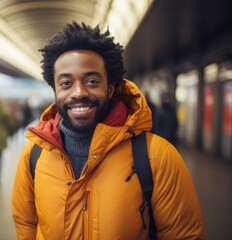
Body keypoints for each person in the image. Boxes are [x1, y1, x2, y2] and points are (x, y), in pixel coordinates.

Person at [11, 22, 205, 239]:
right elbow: (26, 223)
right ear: (55, 91)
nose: (79, 93)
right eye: (66, 83)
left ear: (110, 88)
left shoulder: (156, 156)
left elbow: (185, 235)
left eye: (92, 81)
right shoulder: (34, 155)